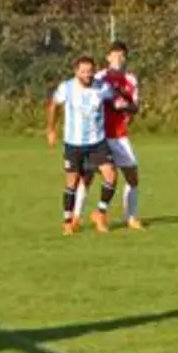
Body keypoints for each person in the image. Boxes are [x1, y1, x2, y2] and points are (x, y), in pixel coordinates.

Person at [46, 56, 123, 235]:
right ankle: (68, 221)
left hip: (97, 141)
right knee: (72, 181)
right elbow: (53, 106)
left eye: (90, 71)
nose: (87, 75)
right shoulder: (67, 87)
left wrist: (122, 103)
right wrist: (51, 129)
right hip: (74, 143)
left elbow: (115, 99)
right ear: (76, 72)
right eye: (83, 72)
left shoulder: (101, 87)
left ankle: (100, 213)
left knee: (111, 174)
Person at [74, 41, 144, 228]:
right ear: (108, 57)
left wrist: (125, 105)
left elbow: (135, 107)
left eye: (122, 55)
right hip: (99, 136)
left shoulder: (131, 79)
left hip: (120, 135)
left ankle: (130, 217)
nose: (118, 58)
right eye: (115, 55)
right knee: (87, 176)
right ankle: (75, 217)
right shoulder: (99, 77)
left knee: (132, 176)